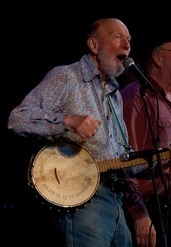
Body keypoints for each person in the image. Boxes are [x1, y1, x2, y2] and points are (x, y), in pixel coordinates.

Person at [7, 18, 136, 247]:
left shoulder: (115, 93)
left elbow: (120, 155)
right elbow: (18, 118)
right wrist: (66, 120)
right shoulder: (67, 76)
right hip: (85, 199)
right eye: (118, 37)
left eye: (128, 39)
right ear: (94, 45)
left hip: (117, 198)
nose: (127, 44)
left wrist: (158, 164)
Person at [121, 23, 171, 247]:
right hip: (152, 214)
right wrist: (139, 214)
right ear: (158, 57)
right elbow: (124, 164)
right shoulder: (135, 99)